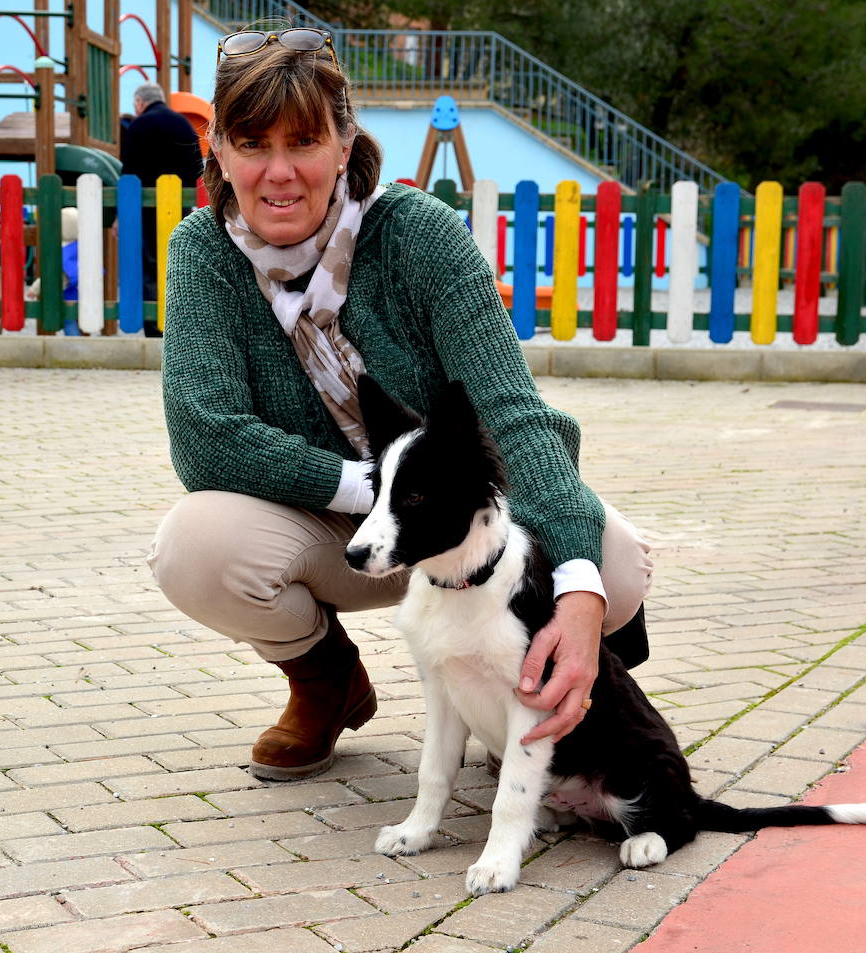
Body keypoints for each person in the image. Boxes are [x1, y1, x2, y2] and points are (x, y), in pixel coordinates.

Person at [148, 28, 654, 781]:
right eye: (253, 144)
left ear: (345, 143)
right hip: (334, 525)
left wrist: (577, 584)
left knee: (613, 565)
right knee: (193, 548)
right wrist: (377, 492)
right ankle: (324, 683)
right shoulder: (203, 255)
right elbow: (207, 438)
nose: (279, 172)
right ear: (217, 150)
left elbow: (512, 413)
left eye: (305, 141)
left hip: (457, 527)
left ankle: (536, 687)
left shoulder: (421, 236)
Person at [120, 83, 204, 336]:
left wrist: (121, 216)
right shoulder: (183, 124)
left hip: (145, 207)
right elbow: (196, 166)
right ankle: (178, 323)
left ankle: (153, 327)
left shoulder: (138, 125)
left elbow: (129, 170)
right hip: (178, 204)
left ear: (139, 103)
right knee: (176, 262)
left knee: (149, 263)